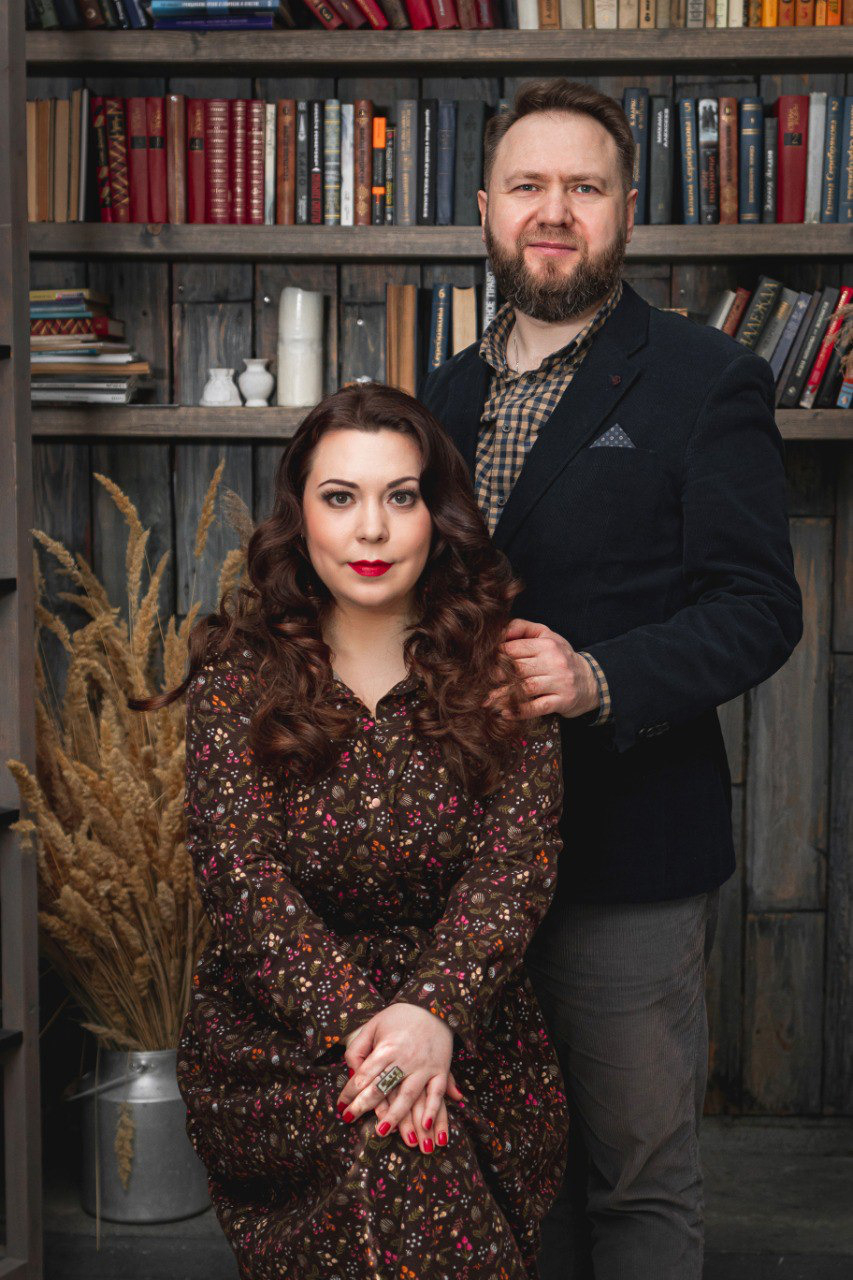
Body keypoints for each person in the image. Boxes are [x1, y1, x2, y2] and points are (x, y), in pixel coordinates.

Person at [418, 78, 803, 1280]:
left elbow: (760, 608)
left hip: (623, 855)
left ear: (626, 210)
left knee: (636, 1176)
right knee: (507, 1170)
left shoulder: (706, 377)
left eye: (583, 186)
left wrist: (596, 676)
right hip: (461, 861)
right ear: (486, 207)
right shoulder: (440, 394)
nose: (553, 210)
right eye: (527, 185)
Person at [132, 382, 570, 1279]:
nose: (371, 529)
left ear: (436, 515)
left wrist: (432, 1012)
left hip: (467, 1024)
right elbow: (240, 878)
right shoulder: (238, 675)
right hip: (280, 1037)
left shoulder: (500, 669)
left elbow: (515, 865)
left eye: (399, 497)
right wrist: (370, 1036)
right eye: (340, 498)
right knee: (395, 1138)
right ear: (300, 516)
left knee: (417, 1138)